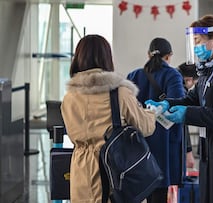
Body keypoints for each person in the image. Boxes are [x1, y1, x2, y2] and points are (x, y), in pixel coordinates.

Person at [146, 15, 213, 203]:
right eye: (193, 42)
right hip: (208, 152)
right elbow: (193, 98)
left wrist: (187, 114)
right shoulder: (208, 69)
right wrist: (168, 103)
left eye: (199, 42)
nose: (195, 48)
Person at [60, 34, 156, 203]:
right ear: (107, 58)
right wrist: (151, 112)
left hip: (81, 171)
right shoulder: (119, 92)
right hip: (114, 171)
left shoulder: (69, 97)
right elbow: (145, 127)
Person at [127, 37, 185, 203]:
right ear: (169, 55)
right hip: (164, 145)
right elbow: (177, 104)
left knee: (138, 191)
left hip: (138, 145)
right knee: (159, 193)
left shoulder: (134, 75)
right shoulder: (173, 75)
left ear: (148, 55)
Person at [177, 62, 199, 169]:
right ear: (188, 80)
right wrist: (188, 151)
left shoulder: (168, 80)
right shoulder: (180, 91)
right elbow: (182, 124)